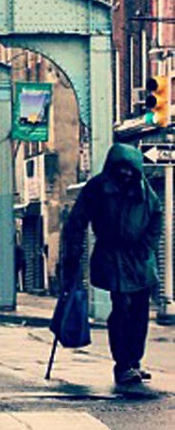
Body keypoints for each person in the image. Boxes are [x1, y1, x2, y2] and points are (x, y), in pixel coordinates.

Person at [63, 144, 161, 385]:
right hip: (112, 255)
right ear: (112, 167)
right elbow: (76, 222)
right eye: (121, 168)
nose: (126, 174)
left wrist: (146, 246)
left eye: (130, 170)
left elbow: (156, 218)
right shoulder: (97, 188)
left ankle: (135, 361)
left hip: (139, 258)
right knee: (122, 307)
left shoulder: (146, 192)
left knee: (140, 310)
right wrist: (72, 256)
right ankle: (123, 364)